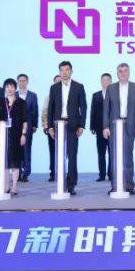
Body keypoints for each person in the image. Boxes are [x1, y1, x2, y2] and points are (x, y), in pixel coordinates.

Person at [47, 61, 87, 195]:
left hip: (73, 126)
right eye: (62, 70)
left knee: (72, 156)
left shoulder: (78, 86)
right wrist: (50, 127)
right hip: (58, 125)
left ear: (71, 71)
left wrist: (82, 125)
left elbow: (83, 107)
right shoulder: (54, 88)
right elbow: (50, 108)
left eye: (67, 70)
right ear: (59, 72)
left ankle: (71, 185)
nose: (64, 72)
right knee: (59, 156)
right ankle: (60, 183)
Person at [103, 62, 135, 195]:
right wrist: (105, 126)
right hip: (114, 126)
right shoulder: (111, 88)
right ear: (117, 73)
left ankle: (129, 185)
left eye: (125, 71)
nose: (123, 73)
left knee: (128, 156)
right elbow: (106, 109)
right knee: (114, 156)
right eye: (120, 71)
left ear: (129, 72)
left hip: (130, 126)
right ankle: (115, 185)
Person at [0, 78, 28, 195]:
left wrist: (23, 134)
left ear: (15, 88)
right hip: (3, 136)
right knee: (4, 163)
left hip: (16, 135)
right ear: (5, 88)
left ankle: (14, 187)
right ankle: (6, 186)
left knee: (15, 163)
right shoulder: (0, 102)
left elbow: (25, 121)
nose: (10, 89)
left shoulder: (21, 103)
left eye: (12, 86)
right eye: (7, 86)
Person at [16, 74, 38, 182]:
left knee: (26, 149)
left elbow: (35, 111)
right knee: (17, 150)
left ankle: (26, 173)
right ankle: (18, 173)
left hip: (28, 126)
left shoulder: (32, 95)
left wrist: (34, 125)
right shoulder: (14, 95)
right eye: (20, 80)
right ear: (17, 82)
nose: (22, 82)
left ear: (27, 81)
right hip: (15, 127)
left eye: (24, 80)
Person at [90, 72, 112, 182]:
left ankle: (112, 174)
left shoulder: (115, 94)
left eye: (108, 80)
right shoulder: (96, 95)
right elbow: (93, 111)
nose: (106, 82)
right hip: (99, 128)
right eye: (104, 80)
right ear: (101, 82)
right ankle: (102, 174)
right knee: (101, 152)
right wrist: (92, 126)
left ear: (111, 82)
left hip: (112, 128)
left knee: (112, 152)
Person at [42, 73, 61, 182]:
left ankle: (63, 172)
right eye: (56, 82)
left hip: (65, 128)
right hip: (52, 129)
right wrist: (46, 127)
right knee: (53, 151)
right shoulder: (48, 98)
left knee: (65, 151)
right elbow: (45, 112)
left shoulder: (68, 95)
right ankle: (53, 173)